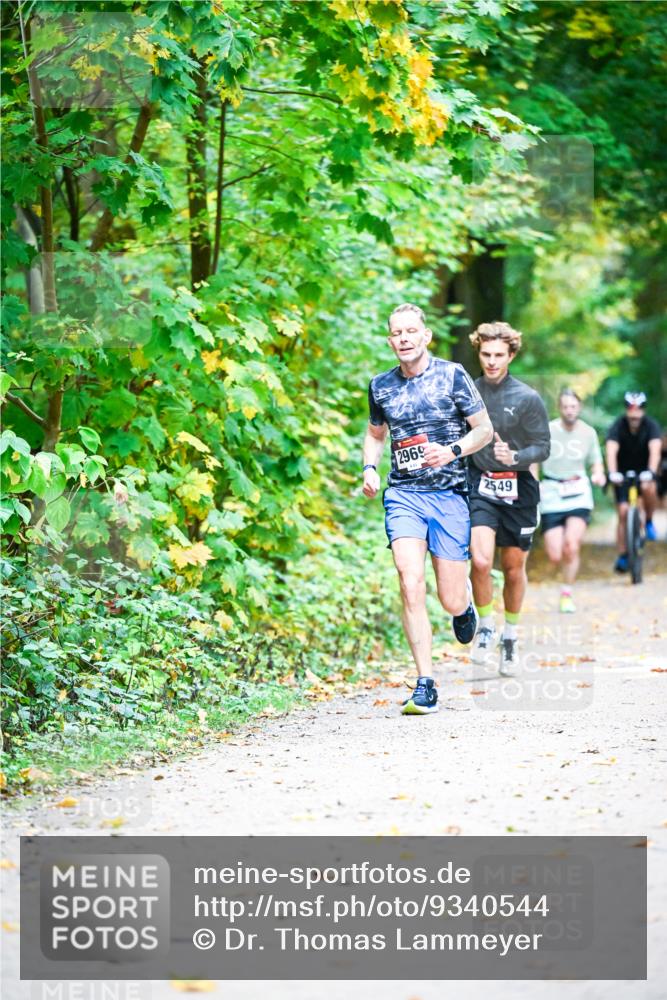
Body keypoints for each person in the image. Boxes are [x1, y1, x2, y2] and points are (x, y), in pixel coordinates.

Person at [362, 303, 493, 715]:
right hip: (404, 495)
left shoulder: (452, 375)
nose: (403, 339)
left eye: (410, 331)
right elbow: (375, 434)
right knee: (409, 580)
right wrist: (369, 467)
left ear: (425, 336)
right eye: (396, 333)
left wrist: (452, 450)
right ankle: (425, 683)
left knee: (449, 598)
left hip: (449, 495)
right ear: (390, 340)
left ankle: (464, 605)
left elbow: (484, 431)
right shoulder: (380, 386)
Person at [466, 322, 550, 676]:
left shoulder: (527, 397)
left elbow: (543, 447)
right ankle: (486, 626)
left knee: (514, 569)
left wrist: (514, 458)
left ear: (511, 355)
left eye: (499, 355)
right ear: (478, 352)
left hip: (519, 491)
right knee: (481, 561)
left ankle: (511, 636)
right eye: (486, 354)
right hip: (480, 487)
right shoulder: (467, 391)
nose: (492, 362)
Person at [539, 390, 606, 613]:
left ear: (579, 407)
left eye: (573, 406)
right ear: (560, 408)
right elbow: (535, 460)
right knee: (555, 553)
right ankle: (564, 577)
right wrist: (533, 484)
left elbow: (596, 461)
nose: (569, 410)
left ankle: (566, 592)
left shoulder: (588, 432)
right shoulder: (548, 430)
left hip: (578, 491)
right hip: (551, 491)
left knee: (571, 545)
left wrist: (598, 474)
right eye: (565, 406)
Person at [605, 391, 662, 570]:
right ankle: (623, 555)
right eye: (631, 408)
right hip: (622, 474)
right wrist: (612, 472)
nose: (635, 412)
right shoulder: (617, 425)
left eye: (639, 408)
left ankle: (650, 520)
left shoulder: (651, 425)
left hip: (644, 471)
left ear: (644, 410)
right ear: (626, 409)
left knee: (648, 487)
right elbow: (611, 450)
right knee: (623, 512)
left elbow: (655, 450)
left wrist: (652, 471)